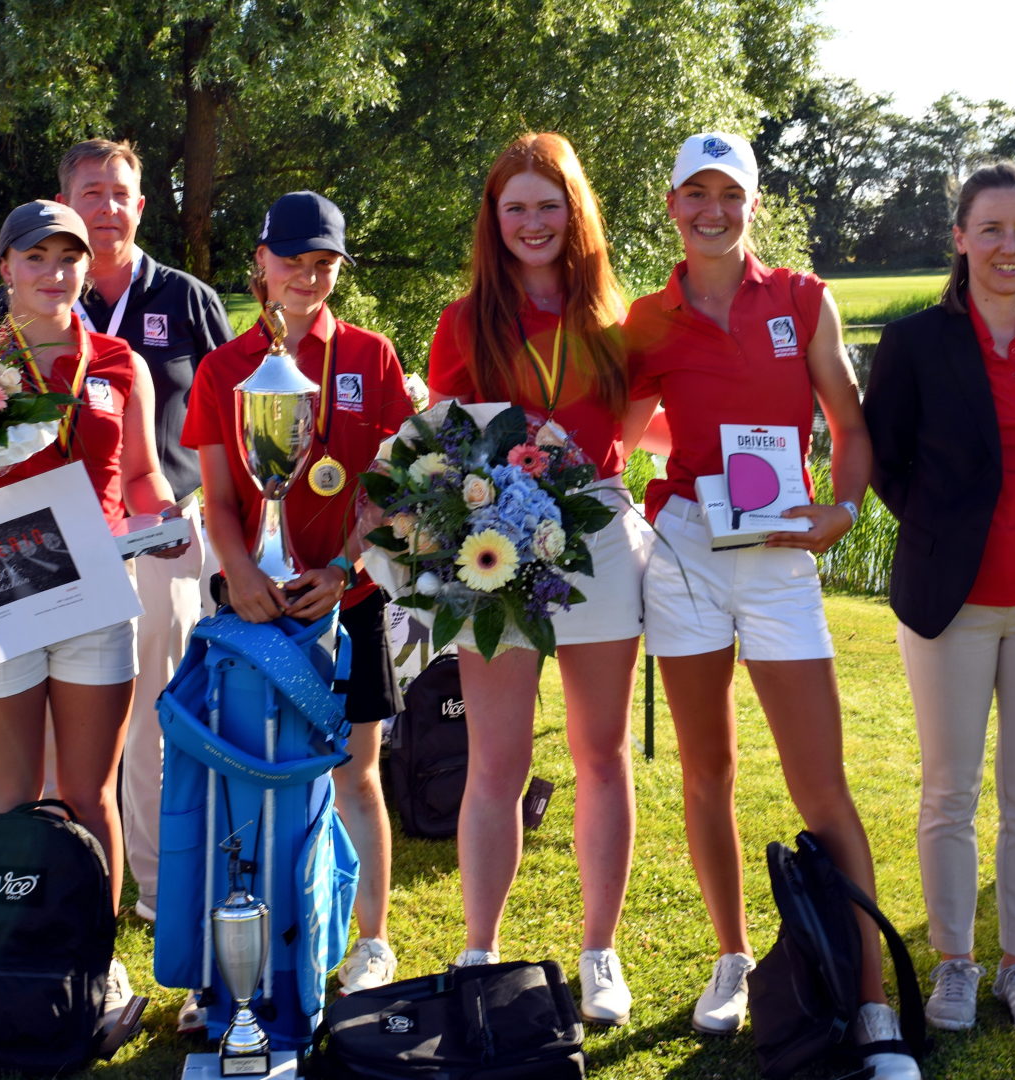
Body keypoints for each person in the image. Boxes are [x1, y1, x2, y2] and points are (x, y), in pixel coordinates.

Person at [622, 132, 916, 1079]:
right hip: (685, 554)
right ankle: (733, 957)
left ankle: (870, 1004)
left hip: (783, 550)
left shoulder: (802, 298)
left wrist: (844, 507)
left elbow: (849, 425)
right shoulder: (646, 319)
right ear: (672, 205)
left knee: (818, 782)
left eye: (730, 194)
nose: (714, 209)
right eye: (695, 193)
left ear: (753, 202)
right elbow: (620, 432)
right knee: (706, 769)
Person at [0, 199, 186, 1018]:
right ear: (6, 270)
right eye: (36, 258)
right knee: (11, 795)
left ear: (87, 266)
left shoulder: (120, 360)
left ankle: (93, 960)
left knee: (93, 794)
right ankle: (9, 960)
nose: (54, 273)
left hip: (94, 593)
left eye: (69, 257)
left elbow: (138, 478)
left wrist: (162, 517)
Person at [863, 162, 1015, 1039]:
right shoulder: (914, 343)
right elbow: (887, 461)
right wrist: (946, 530)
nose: (1010, 247)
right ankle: (957, 965)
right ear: (960, 238)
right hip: (949, 604)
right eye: (992, 229)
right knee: (949, 792)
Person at [425, 132, 648, 1024]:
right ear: (494, 218)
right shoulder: (463, 319)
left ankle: (600, 953)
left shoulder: (616, 321)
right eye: (514, 207)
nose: (531, 223)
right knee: (496, 764)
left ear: (575, 213)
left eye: (547, 206)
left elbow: (640, 423)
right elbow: (444, 439)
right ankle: (481, 949)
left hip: (594, 542)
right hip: (496, 551)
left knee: (601, 756)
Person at [184, 191, 415, 1000]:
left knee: (355, 775)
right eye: (293, 261)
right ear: (260, 262)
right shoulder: (223, 367)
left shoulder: (371, 356)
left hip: (346, 602)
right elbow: (216, 495)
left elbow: (391, 485)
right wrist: (242, 571)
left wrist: (348, 569)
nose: (308, 278)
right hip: (250, 611)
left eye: (324, 264)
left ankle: (373, 942)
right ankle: (241, 963)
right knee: (245, 778)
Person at [52, 138, 233, 924]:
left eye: (120, 193)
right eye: (91, 193)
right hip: (62, 539)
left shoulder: (186, 298)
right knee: (69, 724)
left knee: (161, 711)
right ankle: (69, 881)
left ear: (141, 204)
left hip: (164, 531)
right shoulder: (41, 297)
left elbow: (230, 415)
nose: (107, 208)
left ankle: (158, 890)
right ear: (66, 202)